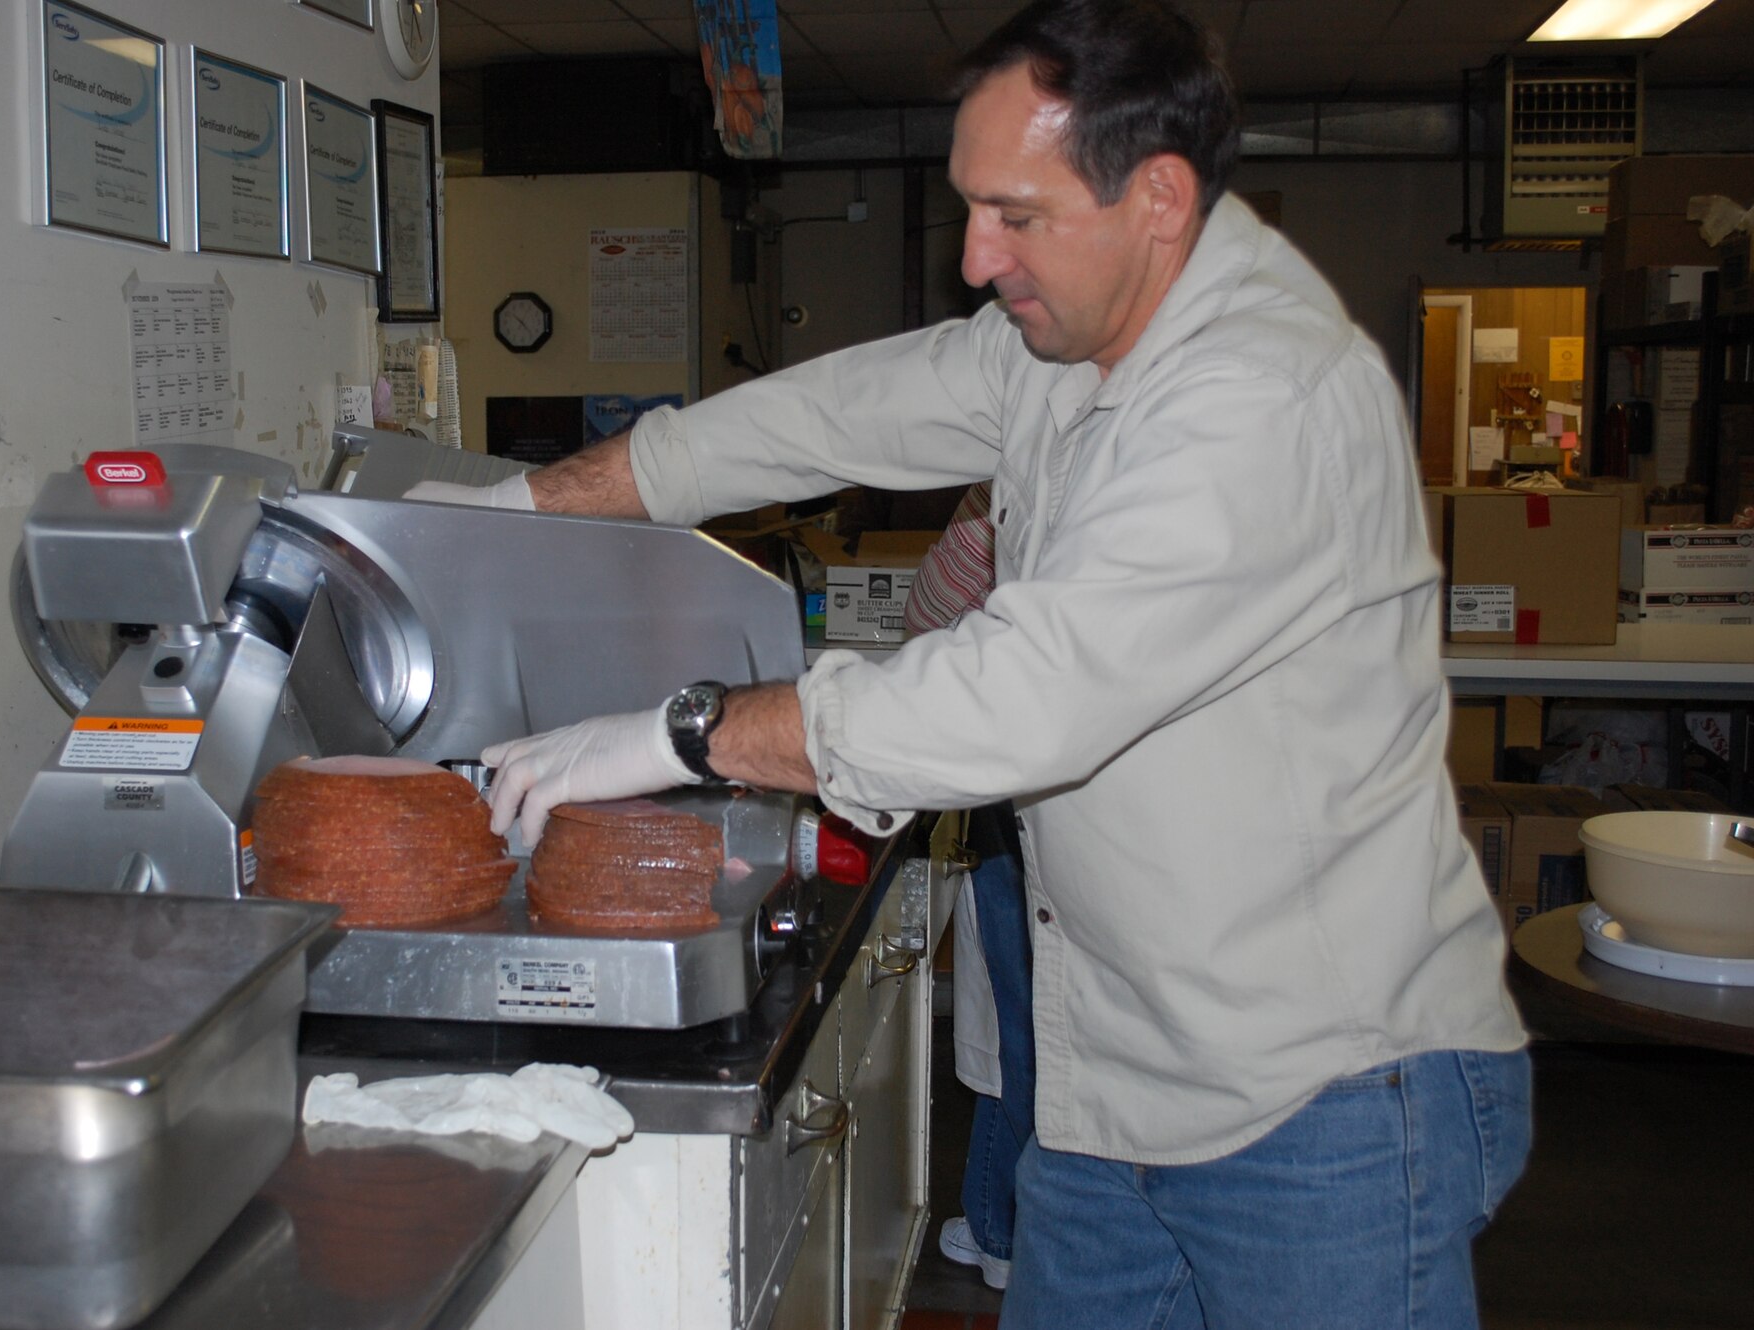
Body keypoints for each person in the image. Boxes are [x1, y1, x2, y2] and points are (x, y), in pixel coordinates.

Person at [435, 1, 1534, 1323]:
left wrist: (684, 730)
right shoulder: (1067, 342)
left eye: (1014, 212)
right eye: (970, 207)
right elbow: (831, 412)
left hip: (1327, 1095)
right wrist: (529, 506)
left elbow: (1027, 696)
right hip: (1119, 1079)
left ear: (1161, 200)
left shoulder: (1264, 397)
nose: (974, 257)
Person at [904, 484, 1034, 1293]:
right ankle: (1013, 1223)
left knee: (1024, 1033)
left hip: (1017, 810)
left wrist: (986, 493)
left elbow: (928, 620)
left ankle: (1004, 1230)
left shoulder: (1012, 492)